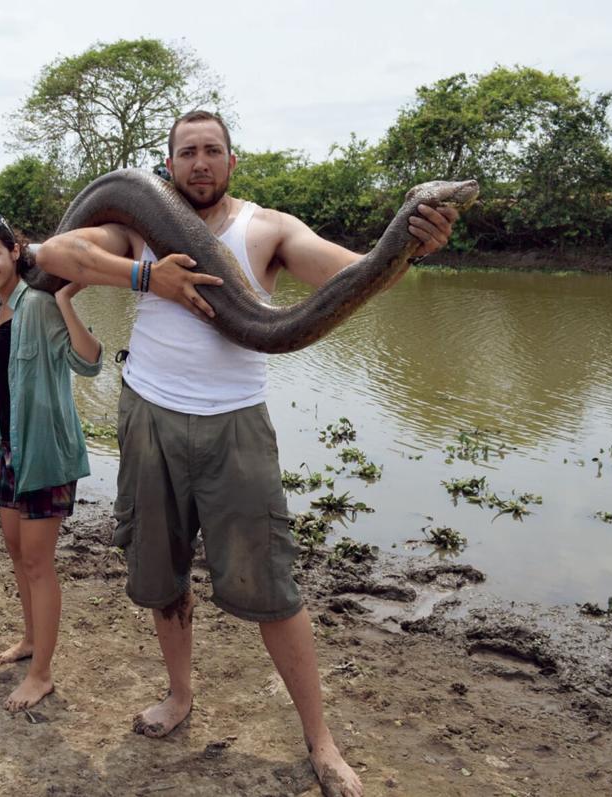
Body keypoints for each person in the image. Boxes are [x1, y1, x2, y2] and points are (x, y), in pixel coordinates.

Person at [36, 111, 460, 797]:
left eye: (212, 151)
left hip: (235, 427)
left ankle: (320, 739)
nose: (199, 162)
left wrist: (409, 249)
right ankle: (180, 694)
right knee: (161, 568)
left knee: (272, 587)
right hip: (149, 416)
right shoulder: (136, 226)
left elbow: (359, 275)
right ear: (167, 165)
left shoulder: (267, 229)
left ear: (233, 160)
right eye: (186, 152)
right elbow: (54, 256)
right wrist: (150, 278)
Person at [0, 213, 102, 711]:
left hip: (45, 450)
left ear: (16, 251)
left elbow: (90, 362)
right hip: (9, 448)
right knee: (19, 555)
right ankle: (29, 641)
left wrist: (65, 298)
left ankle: (42, 674)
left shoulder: (39, 305)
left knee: (40, 564)